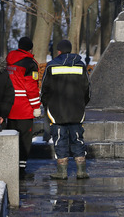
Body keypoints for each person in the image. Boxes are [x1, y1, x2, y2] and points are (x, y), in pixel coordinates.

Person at [41, 39, 91, 180]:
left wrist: (47, 105)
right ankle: (81, 171)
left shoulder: (51, 66)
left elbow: (44, 89)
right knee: (77, 138)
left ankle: (62, 172)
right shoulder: (81, 66)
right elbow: (88, 89)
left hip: (56, 111)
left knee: (59, 139)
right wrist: (82, 103)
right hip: (77, 109)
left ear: (58, 51)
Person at [6, 36, 40, 179]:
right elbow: (31, 87)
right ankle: (21, 170)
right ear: (30, 48)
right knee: (25, 139)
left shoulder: (8, 60)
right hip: (24, 107)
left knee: (11, 137)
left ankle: (9, 166)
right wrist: (36, 106)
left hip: (9, 105)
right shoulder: (30, 63)